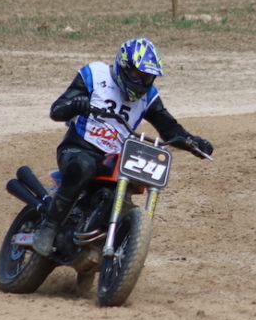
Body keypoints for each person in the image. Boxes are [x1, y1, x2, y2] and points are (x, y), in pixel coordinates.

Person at [32, 37, 213, 257]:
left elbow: (169, 129)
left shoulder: (149, 97)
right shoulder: (95, 75)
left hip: (115, 158)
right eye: (137, 74)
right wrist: (75, 105)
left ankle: (102, 239)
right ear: (123, 66)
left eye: (148, 77)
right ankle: (49, 226)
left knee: (124, 188)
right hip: (77, 147)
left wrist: (193, 142)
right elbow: (57, 109)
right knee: (84, 166)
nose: (141, 82)